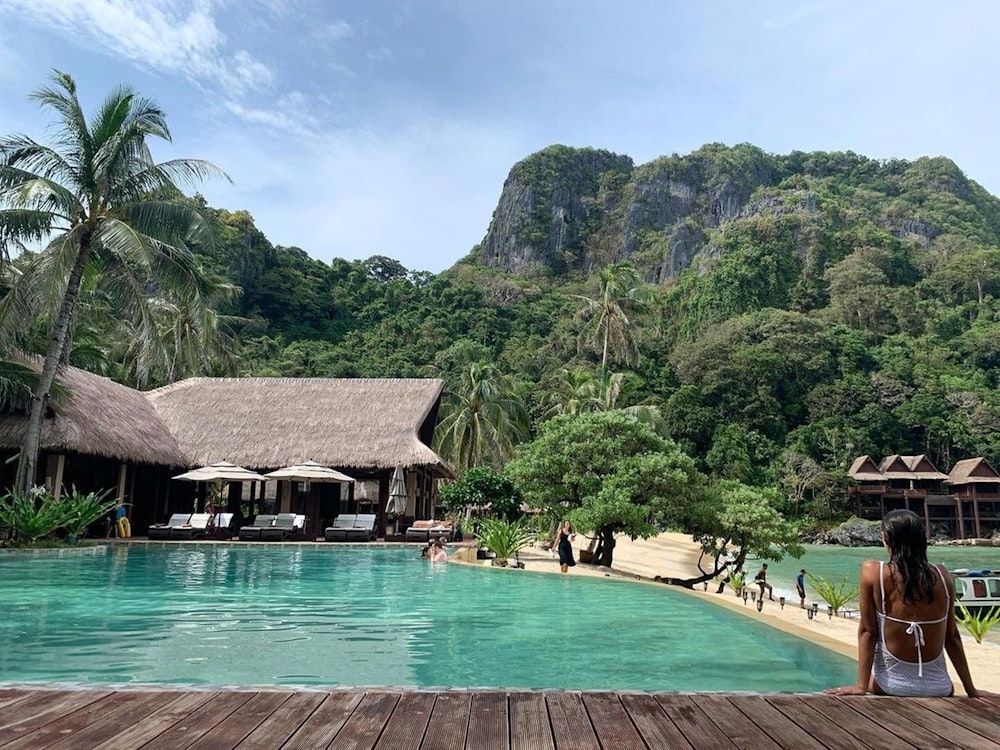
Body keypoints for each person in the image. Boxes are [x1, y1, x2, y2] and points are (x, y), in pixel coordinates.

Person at [826, 509, 979, 697]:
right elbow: (952, 638)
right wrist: (971, 689)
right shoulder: (942, 575)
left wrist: (861, 686)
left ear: (886, 538)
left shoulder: (874, 572)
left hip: (891, 685)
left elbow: (868, 632)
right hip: (940, 687)